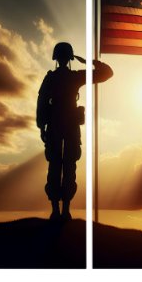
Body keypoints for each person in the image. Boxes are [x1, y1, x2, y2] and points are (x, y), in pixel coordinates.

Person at [36, 42, 113, 221]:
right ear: (70, 58)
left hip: (56, 126)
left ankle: (56, 211)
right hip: (69, 126)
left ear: (56, 58)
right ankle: (64, 211)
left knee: (56, 166)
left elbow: (41, 103)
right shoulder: (76, 77)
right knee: (68, 166)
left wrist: (42, 127)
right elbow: (107, 73)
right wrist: (90, 62)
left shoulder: (51, 78)